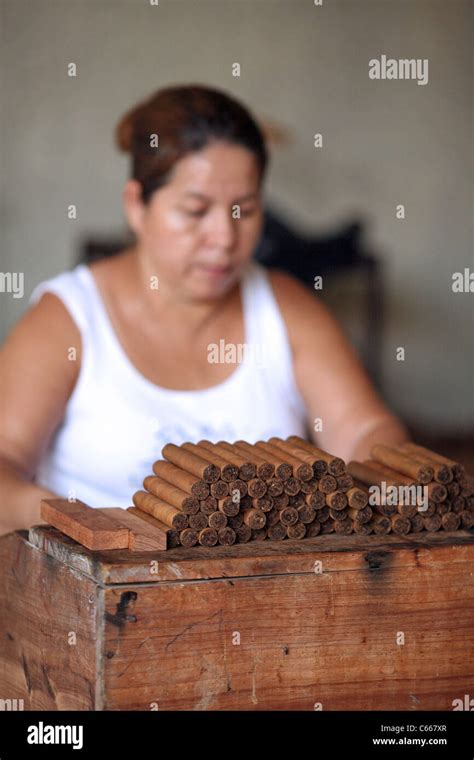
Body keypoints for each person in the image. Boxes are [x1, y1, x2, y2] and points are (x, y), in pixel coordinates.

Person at [0, 84, 410, 533]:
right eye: (196, 211)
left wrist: (397, 477)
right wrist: (84, 524)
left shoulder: (285, 308)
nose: (224, 238)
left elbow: (362, 429)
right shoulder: (70, 318)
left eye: (244, 210)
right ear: (137, 206)